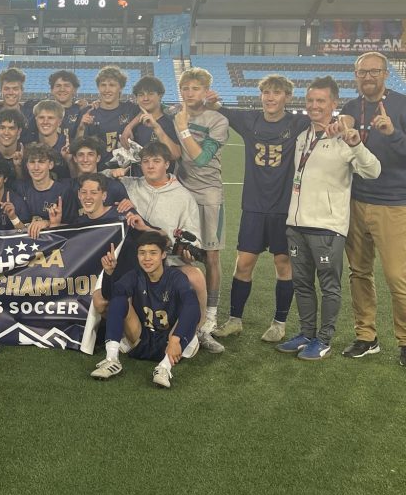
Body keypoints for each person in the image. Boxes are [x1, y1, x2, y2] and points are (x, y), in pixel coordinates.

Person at [276, 77, 380, 360]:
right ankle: (306, 333)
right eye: (310, 100)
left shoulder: (343, 137)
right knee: (301, 283)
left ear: (334, 103)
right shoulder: (303, 136)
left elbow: (373, 171)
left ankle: (323, 340)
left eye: (321, 101)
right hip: (296, 225)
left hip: (327, 228)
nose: (314, 106)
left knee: (328, 286)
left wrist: (356, 144)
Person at [205, 74, 310, 342]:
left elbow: (323, 118)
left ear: (287, 97)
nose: (270, 98)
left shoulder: (297, 123)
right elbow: (221, 110)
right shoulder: (249, 119)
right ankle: (235, 320)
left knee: (283, 263)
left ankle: (279, 323)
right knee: (244, 263)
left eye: (277, 93)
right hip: (253, 206)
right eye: (266, 93)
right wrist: (212, 101)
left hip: (284, 208)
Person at [105, 141, 224, 353]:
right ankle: (125, 331)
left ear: (167, 164)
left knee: (196, 276)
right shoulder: (129, 185)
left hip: (167, 260)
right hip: (132, 258)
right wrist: (112, 172)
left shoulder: (183, 197)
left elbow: (193, 238)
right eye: (145, 161)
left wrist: (187, 250)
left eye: (156, 161)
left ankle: (198, 330)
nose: (150, 166)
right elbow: (94, 180)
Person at [340, 51, 406, 365]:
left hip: (393, 203)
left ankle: (405, 340)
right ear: (356, 75)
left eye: (374, 71)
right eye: (362, 72)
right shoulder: (351, 108)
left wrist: (393, 134)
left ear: (385, 74)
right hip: (355, 201)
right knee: (359, 272)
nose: (368, 77)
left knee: (397, 277)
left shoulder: (402, 104)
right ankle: (366, 336)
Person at [90, 231, 201, 389]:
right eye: (142, 253)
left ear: (163, 255)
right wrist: (109, 274)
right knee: (118, 299)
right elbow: (111, 296)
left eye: (153, 253)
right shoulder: (135, 275)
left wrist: (176, 339)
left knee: (191, 310)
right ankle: (112, 359)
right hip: (141, 338)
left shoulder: (176, 277)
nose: (147, 258)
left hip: (171, 343)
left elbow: (192, 307)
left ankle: (164, 367)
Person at [173, 67, 229, 335]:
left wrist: (184, 129)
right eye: (185, 88)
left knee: (210, 256)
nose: (190, 93)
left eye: (196, 88)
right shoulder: (176, 114)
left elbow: (201, 158)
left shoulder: (217, 120)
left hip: (208, 194)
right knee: (181, 252)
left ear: (206, 91)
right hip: (182, 194)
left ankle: (212, 314)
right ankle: (186, 307)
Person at [75, 66, 141, 168]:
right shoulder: (88, 112)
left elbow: (149, 110)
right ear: (98, 87)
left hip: (126, 171)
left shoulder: (130, 109)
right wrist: (81, 128)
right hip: (97, 172)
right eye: (103, 85)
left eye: (112, 85)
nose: (107, 90)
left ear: (121, 87)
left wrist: (129, 126)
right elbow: (77, 147)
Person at [119, 76, 181, 176]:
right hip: (136, 180)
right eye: (141, 95)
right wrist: (128, 127)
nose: (145, 98)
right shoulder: (133, 118)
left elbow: (175, 155)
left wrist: (157, 128)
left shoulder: (170, 122)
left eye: (150, 94)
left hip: (160, 182)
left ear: (160, 95)